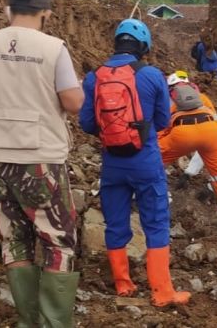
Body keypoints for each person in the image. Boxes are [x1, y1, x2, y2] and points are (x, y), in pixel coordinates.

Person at [0, 0, 84, 327]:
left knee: (13, 238)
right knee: (58, 240)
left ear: (7, 10)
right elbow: (73, 103)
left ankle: (28, 321)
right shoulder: (53, 48)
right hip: (40, 158)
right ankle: (55, 323)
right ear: (45, 13)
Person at [79, 20, 191, 306]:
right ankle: (162, 292)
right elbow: (165, 121)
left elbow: (87, 123)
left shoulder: (94, 77)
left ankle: (123, 285)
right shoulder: (152, 75)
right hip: (145, 161)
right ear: (143, 46)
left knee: (115, 222)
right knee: (155, 222)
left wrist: (112, 133)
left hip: (112, 163)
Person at [158, 71, 217, 228]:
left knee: (152, 162)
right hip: (211, 134)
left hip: (182, 134)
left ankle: (149, 201)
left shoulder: (168, 99)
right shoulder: (203, 98)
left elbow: (162, 127)